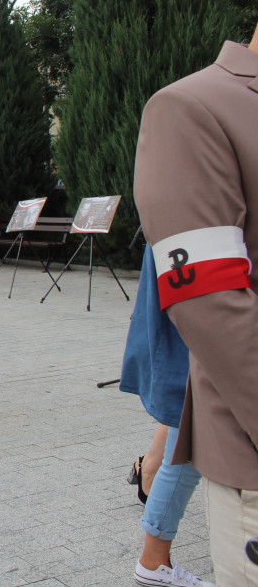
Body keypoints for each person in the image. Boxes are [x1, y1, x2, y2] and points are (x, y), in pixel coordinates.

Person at [134, 32, 258, 585]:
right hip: (240, 431)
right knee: (173, 444)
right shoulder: (193, 106)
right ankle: (153, 554)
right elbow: (212, 307)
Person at [120, 246, 212, 587]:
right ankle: (154, 559)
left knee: (187, 432)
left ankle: (151, 470)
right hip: (204, 315)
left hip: (200, 310)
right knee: (189, 433)